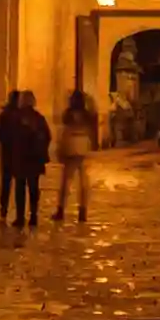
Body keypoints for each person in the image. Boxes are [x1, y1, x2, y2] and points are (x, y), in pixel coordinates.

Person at [11, 90, 52, 227]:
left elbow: (11, 138)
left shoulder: (16, 118)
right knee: (34, 187)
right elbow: (47, 136)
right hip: (35, 158)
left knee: (20, 188)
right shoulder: (39, 118)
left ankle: (20, 217)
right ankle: (33, 215)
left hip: (21, 158)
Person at [54, 90, 96, 222]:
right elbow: (92, 128)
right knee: (83, 181)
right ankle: (82, 211)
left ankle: (61, 210)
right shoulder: (87, 115)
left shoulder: (68, 114)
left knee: (66, 180)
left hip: (71, 146)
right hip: (83, 146)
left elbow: (64, 130)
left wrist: (61, 148)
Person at [0, 90, 22, 222]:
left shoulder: (4, 115)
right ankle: (20, 213)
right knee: (19, 183)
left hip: (7, 152)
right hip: (20, 152)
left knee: (6, 182)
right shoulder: (22, 115)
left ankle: (3, 209)